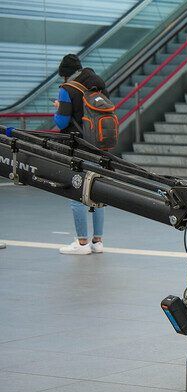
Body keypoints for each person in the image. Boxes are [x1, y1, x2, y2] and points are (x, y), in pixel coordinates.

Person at [53, 54, 107, 255]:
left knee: (76, 191)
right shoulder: (97, 84)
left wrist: (58, 108)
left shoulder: (68, 89)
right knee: (98, 191)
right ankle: (98, 241)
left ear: (66, 75)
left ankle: (82, 243)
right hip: (99, 145)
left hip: (77, 145)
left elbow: (61, 122)